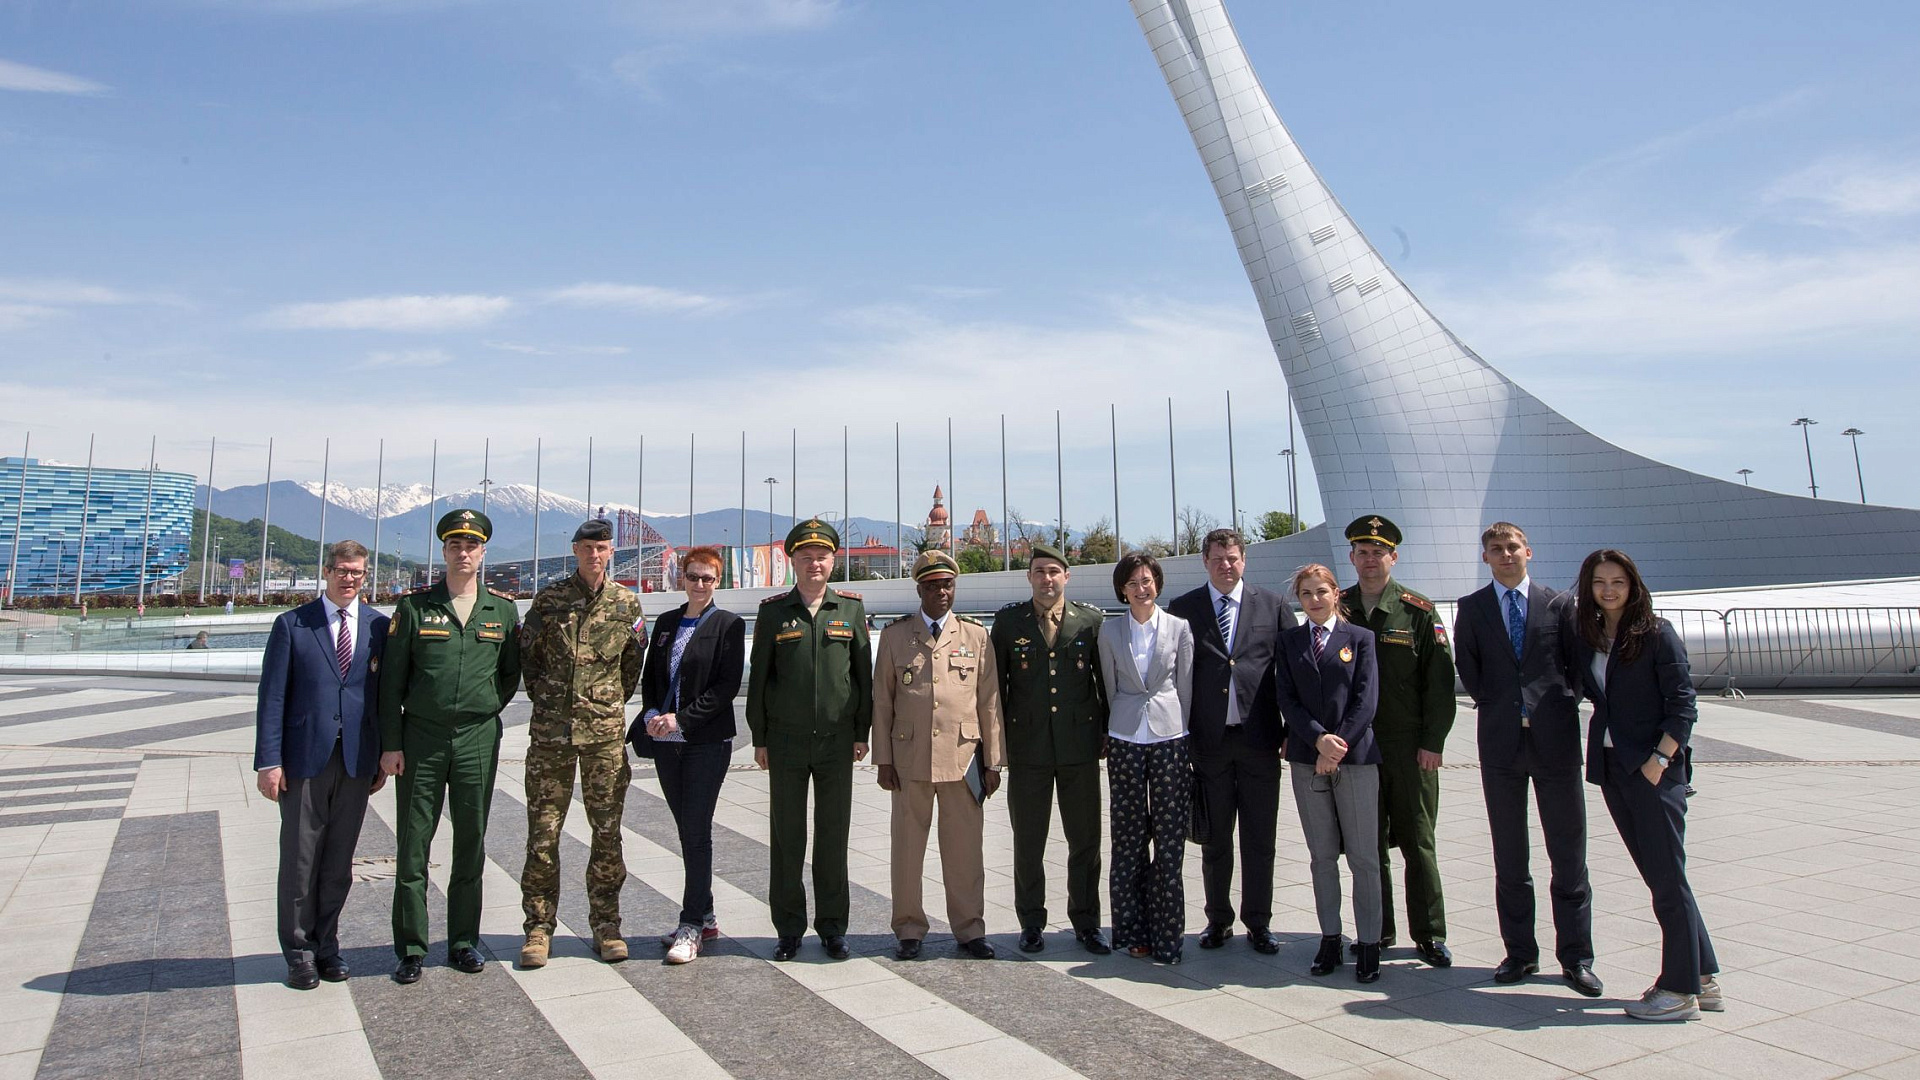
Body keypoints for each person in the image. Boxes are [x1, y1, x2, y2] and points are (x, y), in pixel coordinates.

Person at [1572, 549, 1722, 1021]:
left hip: (1652, 771)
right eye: (1600, 582)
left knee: (1667, 880)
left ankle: (1678, 992)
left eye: (1618, 581)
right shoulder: (1592, 636)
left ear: (1633, 585)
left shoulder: (1656, 634)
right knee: (1662, 877)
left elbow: (1684, 704)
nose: (1609, 590)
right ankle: (1703, 977)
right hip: (1614, 768)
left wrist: (1661, 759)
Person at [1454, 523, 1598, 996]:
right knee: (1510, 854)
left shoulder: (1560, 605)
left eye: (1512, 547)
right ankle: (1520, 953)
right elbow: (1470, 670)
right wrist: (1506, 708)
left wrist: (1551, 705)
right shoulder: (1472, 609)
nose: (1506, 555)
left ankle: (1576, 957)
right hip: (1500, 744)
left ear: (1528, 552)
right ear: (1486, 558)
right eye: (1495, 549)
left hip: (1555, 742)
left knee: (1568, 852)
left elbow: (1576, 667)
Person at [379, 509, 522, 984]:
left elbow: (508, 677)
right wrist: (391, 744)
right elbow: (391, 685)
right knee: (413, 844)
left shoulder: (501, 610)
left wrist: (481, 710)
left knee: (471, 842)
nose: (464, 553)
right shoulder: (415, 609)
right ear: (444, 551)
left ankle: (463, 940)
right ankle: (412, 947)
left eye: (472, 546)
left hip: (477, 738)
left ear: (483, 552)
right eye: (455, 545)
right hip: (421, 737)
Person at [253, 540, 387, 990]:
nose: (349, 579)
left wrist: (383, 755)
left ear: (365, 576)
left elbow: (382, 699)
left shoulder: (378, 628)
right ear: (326, 572)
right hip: (304, 760)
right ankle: (298, 951)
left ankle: (327, 944)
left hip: (355, 762)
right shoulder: (293, 624)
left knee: (338, 862)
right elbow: (272, 697)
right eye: (342, 571)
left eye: (357, 572)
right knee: (299, 858)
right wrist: (269, 761)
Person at [517, 518, 646, 968]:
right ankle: (537, 928)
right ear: (574, 550)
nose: (595, 555)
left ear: (612, 552)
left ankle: (607, 925)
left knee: (607, 835)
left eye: (603, 548)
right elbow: (528, 661)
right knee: (543, 835)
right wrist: (555, 702)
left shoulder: (626, 603)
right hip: (551, 736)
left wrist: (602, 705)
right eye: (587, 547)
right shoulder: (550, 600)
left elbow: (632, 666)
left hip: (604, 739)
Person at [746, 519, 873, 962]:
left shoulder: (851, 610)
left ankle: (833, 928)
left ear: (832, 561)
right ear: (792, 562)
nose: (814, 564)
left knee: (833, 836)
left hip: (837, 741)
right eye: (805, 557)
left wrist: (862, 732)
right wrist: (759, 738)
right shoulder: (773, 612)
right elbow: (759, 678)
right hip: (785, 741)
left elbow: (862, 676)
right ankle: (789, 928)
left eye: (821, 557)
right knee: (786, 838)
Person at [871, 549, 1006, 960]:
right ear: (919, 589)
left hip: (963, 758)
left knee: (965, 851)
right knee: (907, 851)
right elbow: (882, 701)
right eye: (932, 585)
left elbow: (989, 702)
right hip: (910, 759)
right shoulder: (895, 636)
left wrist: (994, 760)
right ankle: (909, 929)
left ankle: (970, 929)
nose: (941, 592)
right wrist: (883, 760)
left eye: (947, 584)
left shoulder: (975, 636)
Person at [1166, 527, 1295, 954]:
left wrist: (1291, 732)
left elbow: (1291, 675)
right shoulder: (1183, 609)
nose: (1226, 565)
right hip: (1209, 745)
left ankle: (1259, 922)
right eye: (1218, 558)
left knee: (1260, 839)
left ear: (1245, 561)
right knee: (1215, 838)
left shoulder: (1273, 605)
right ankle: (1218, 920)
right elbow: (1175, 677)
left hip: (1259, 741)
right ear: (1204, 561)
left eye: (1234, 557)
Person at [1341, 515, 1456, 968]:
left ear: (1394, 557)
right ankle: (1378, 928)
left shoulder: (1418, 611)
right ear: (1351, 557)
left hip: (1409, 748)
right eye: (1362, 553)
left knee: (1417, 841)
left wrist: (1433, 742)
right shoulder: (1339, 606)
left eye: (1378, 553)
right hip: (1359, 749)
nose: (1370, 561)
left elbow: (1441, 684)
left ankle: (1428, 933)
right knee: (1367, 845)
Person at [990, 543, 1110, 955]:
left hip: (1079, 747)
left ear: (1067, 577)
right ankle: (1031, 922)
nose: (1047, 579)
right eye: (1039, 571)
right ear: (1029, 577)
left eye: (1054, 571)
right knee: (1028, 841)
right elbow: (997, 691)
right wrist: (997, 744)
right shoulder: (1008, 623)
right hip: (1029, 750)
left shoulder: (1090, 621)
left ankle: (1087, 921)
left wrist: (1107, 734)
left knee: (1085, 841)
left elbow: (1103, 684)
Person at [632, 545, 745, 965]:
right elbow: (651, 678)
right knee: (686, 831)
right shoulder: (665, 622)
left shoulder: (728, 626)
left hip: (704, 742)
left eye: (708, 578)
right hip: (666, 745)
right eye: (693, 577)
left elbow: (724, 689)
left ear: (718, 582)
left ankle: (691, 923)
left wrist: (681, 720)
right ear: (682, 578)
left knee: (696, 832)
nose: (699, 585)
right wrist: (654, 714)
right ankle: (708, 914)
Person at [1274, 564, 1383, 982]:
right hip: (1307, 757)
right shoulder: (1289, 641)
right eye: (1306, 594)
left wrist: (1337, 747)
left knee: (1363, 857)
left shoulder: (1361, 639)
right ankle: (1330, 937)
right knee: (1322, 856)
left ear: (1337, 594)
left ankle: (1370, 942)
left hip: (1354, 759)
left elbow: (1366, 699)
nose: (1315, 600)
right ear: (1298, 600)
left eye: (1322, 591)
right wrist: (1318, 740)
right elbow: (1286, 697)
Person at [1097, 551, 1193, 964]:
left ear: (1158, 583)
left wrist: (1183, 731)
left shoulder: (1179, 627)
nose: (1142, 588)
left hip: (1169, 735)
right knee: (1129, 836)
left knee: (1170, 840)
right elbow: (1108, 683)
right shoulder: (1110, 631)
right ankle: (1133, 931)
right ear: (1123, 589)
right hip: (1125, 735)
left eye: (1148, 580)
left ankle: (1168, 935)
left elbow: (1185, 685)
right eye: (1133, 582)